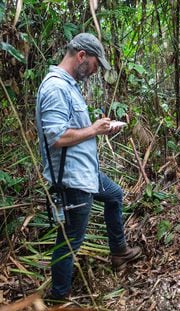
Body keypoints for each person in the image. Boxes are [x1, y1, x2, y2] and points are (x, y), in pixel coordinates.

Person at [35, 33, 141, 300]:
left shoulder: (69, 86)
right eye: (95, 64)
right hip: (71, 179)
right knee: (70, 242)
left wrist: (99, 129)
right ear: (81, 56)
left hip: (86, 173)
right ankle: (59, 299)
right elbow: (57, 137)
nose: (95, 71)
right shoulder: (56, 87)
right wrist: (93, 129)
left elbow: (76, 129)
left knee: (114, 195)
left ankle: (119, 251)